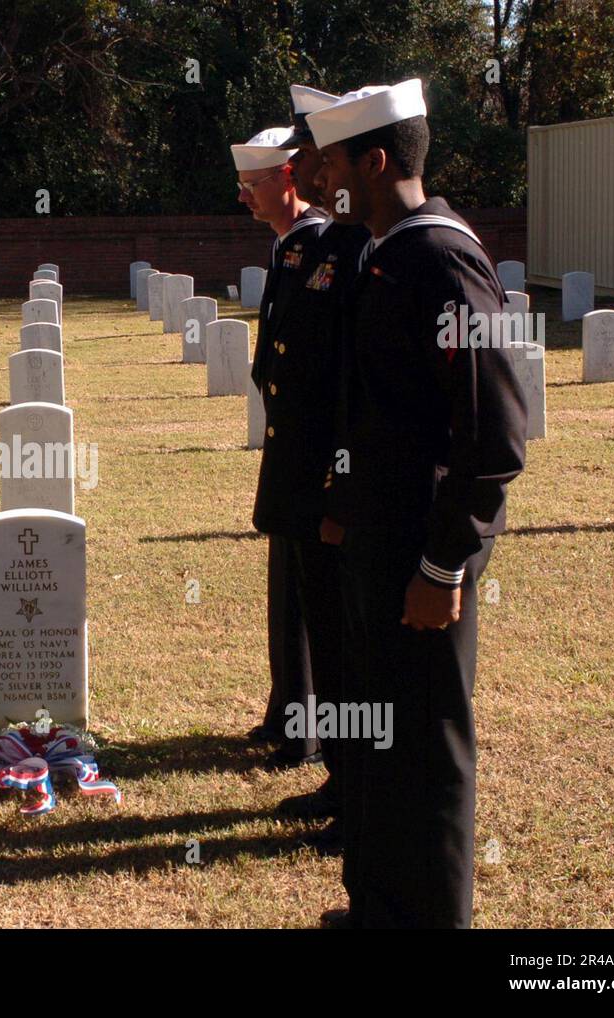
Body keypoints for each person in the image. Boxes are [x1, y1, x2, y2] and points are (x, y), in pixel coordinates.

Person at [308, 79, 527, 927]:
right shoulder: (380, 251)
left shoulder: (442, 258)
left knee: (428, 748)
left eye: (332, 157)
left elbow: (494, 438)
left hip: (421, 557)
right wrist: (342, 504)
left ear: (374, 160)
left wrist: (445, 566)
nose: (321, 171)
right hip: (374, 543)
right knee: (376, 739)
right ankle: (378, 908)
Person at [249, 87, 372, 830]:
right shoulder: (312, 248)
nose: (320, 174)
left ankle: (354, 791)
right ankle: (341, 781)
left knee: (347, 648)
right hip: (302, 469)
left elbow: (347, 383)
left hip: (333, 479)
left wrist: (336, 487)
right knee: (323, 633)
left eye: (324, 160)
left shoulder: (357, 250)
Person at [231, 125, 325, 770]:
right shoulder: (288, 247)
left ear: (287, 179)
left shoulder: (318, 244)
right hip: (288, 443)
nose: (244, 197)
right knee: (286, 590)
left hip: (316, 450)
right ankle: (285, 711)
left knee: (312, 598)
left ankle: (307, 729)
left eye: (253, 184)